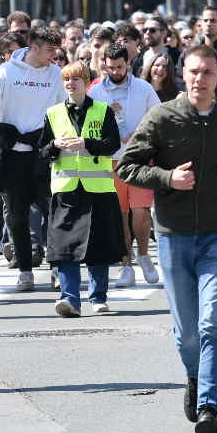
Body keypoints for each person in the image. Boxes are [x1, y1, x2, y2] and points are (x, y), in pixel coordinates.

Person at [116, 44, 217, 433]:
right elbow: (128, 166)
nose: (200, 79)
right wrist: (166, 178)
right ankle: (195, 378)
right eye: (193, 72)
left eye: (208, 72)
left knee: (211, 323)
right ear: (183, 75)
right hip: (174, 235)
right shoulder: (162, 117)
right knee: (186, 334)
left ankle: (210, 407)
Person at [0, 24, 65, 291]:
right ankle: (25, 269)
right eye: (50, 50)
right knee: (17, 214)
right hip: (11, 153)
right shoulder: (6, 71)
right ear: (34, 48)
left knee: (53, 211)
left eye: (56, 50)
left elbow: (65, 109)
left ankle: (58, 267)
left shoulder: (56, 74)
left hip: (44, 152)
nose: (54, 55)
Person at [39, 61, 125, 317]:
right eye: (66, 79)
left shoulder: (102, 110)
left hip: (97, 189)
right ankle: (70, 299)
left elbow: (112, 144)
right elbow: (42, 151)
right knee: (65, 247)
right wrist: (55, 144)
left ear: (86, 83)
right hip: (66, 190)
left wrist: (86, 143)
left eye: (76, 79)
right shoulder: (53, 113)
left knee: (98, 245)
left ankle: (98, 297)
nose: (70, 83)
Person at [90, 43, 159, 288]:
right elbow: (88, 125)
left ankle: (144, 255)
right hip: (110, 160)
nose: (115, 72)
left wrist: (141, 137)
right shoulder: (96, 92)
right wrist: (106, 117)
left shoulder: (143, 88)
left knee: (141, 212)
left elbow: (157, 118)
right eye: (110, 68)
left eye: (119, 67)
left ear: (127, 63)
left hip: (139, 159)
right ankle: (126, 264)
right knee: (120, 215)